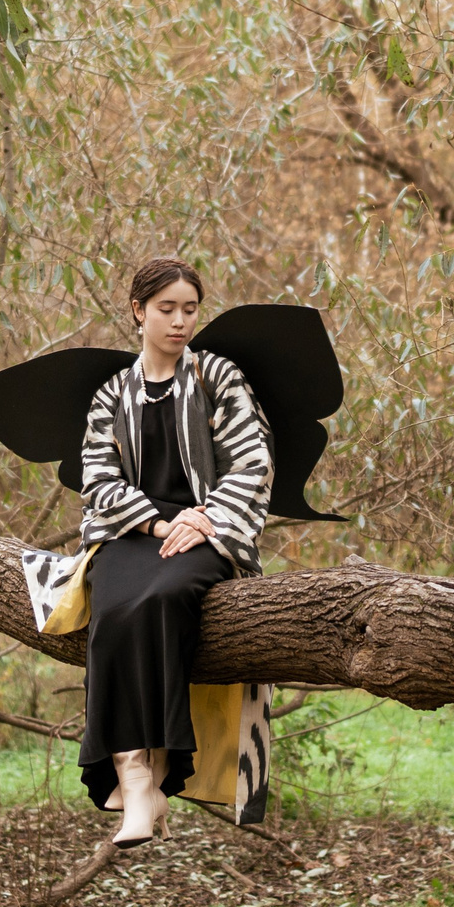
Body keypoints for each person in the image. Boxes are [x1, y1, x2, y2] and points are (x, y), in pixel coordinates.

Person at [75, 256, 273, 846]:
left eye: (190, 309)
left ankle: (155, 775)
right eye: (167, 309)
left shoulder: (218, 377)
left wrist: (207, 518)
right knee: (110, 611)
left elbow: (253, 462)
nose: (180, 321)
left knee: (161, 600)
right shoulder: (112, 394)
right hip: (135, 533)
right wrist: (160, 525)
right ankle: (132, 775)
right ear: (138, 312)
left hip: (208, 534)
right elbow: (98, 482)